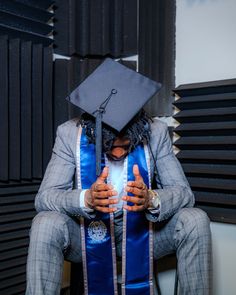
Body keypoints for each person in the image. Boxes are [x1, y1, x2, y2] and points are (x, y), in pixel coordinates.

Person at [26, 59, 212, 295]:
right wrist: (86, 199)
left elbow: (185, 194)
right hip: (85, 232)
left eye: (125, 147)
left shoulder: (155, 132)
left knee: (195, 219)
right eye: (109, 146)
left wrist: (152, 198)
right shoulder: (69, 133)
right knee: (44, 223)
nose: (117, 153)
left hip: (143, 231)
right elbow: (44, 198)